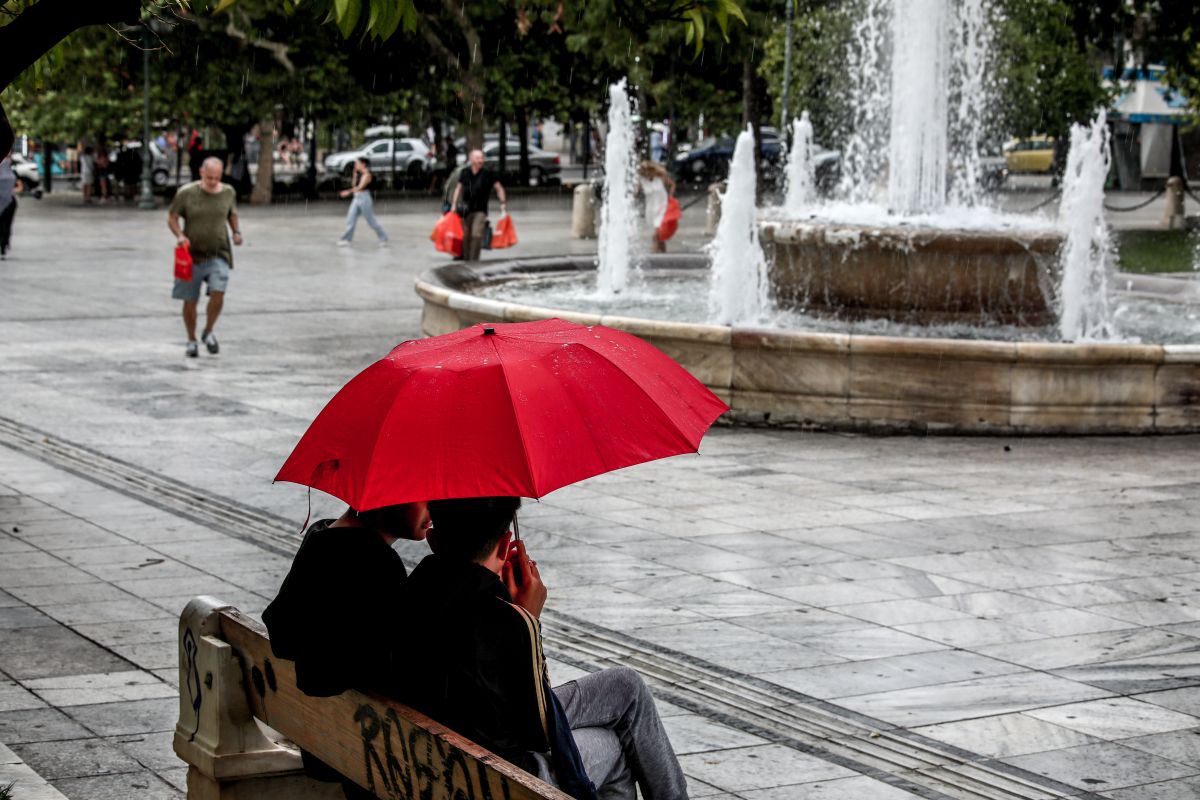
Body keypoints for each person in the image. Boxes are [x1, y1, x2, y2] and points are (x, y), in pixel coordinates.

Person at [397, 496, 689, 800]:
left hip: (439, 743)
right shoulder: (501, 618)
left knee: (625, 685)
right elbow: (537, 728)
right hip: (498, 774)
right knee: (611, 745)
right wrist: (527, 620)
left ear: (432, 538)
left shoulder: (414, 588)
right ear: (505, 543)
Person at [264, 501, 431, 800]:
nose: (435, 510)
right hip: (371, 746)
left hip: (330, 738)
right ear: (391, 496)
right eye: (426, 499)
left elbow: (281, 629)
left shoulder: (323, 534)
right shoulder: (373, 561)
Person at [168, 157, 242, 358]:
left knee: (219, 292)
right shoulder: (187, 193)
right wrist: (180, 235)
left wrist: (236, 232)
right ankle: (191, 339)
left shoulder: (227, 192)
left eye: (216, 178)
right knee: (190, 300)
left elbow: (231, 214)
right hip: (191, 256)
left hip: (219, 253)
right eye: (209, 178)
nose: (213, 182)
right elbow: (172, 217)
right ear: (201, 173)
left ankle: (208, 331)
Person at [451, 149, 506, 262]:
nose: (480, 160)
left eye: (481, 158)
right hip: (465, 210)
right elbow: (458, 188)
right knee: (465, 237)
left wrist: (503, 204)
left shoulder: (488, 173)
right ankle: (466, 261)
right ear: (471, 159)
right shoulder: (465, 172)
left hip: (480, 210)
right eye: (477, 158)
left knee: (476, 235)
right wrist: (453, 204)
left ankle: (473, 261)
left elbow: (499, 188)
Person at [337, 157, 388, 247]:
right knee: (350, 219)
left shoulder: (367, 175)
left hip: (364, 198)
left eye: (357, 163)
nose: (355, 165)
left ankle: (383, 238)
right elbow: (354, 185)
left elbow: (360, 187)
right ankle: (346, 239)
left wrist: (347, 192)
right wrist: (354, 175)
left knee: (371, 221)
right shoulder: (358, 174)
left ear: (363, 164)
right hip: (356, 198)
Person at [638, 161, 676, 254]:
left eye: (648, 171)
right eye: (644, 171)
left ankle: (653, 255)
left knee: (656, 235)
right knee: (660, 236)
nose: (646, 173)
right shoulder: (641, 180)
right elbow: (636, 193)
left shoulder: (660, 177)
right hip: (651, 210)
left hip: (662, 207)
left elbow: (672, 185)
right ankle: (663, 254)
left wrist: (670, 197)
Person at [0, 155, 21, 260]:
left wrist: (12, 190)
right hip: (8, 201)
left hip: (8, 202)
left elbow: (19, 186)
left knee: (6, 224)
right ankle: (4, 244)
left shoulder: (12, 173)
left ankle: (4, 244)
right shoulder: (11, 174)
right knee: (5, 225)